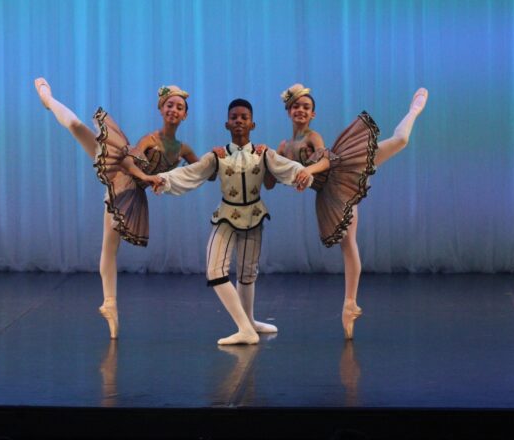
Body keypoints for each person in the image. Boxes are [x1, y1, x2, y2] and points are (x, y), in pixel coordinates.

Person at [34, 78, 199, 339]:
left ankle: (110, 304)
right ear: (161, 109)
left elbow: (200, 171)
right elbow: (127, 162)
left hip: (132, 194)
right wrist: (146, 177)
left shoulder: (183, 149)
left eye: (179, 107)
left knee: (110, 246)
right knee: (77, 126)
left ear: (185, 115)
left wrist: (219, 159)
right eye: (169, 105)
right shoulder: (150, 140)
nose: (174, 110)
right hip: (120, 172)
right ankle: (48, 99)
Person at [147, 98, 317, 345]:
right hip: (226, 216)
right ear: (227, 124)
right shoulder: (218, 156)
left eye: (244, 118)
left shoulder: (263, 153)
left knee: (248, 273)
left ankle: (249, 322)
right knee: (215, 270)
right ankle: (245, 328)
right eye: (234, 117)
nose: (239, 121)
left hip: (254, 216)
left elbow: (286, 167)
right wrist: (164, 180)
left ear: (252, 124)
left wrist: (302, 174)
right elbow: (191, 173)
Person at [268, 84, 428, 339]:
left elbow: (326, 160)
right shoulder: (284, 146)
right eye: (296, 106)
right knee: (348, 242)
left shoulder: (312, 136)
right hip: (330, 193)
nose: (301, 110)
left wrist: (307, 171)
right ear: (288, 111)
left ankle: (414, 110)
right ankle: (349, 304)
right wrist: (266, 163)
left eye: (306, 107)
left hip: (344, 169)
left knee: (400, 140)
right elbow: (272, 179)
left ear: (313, 114)